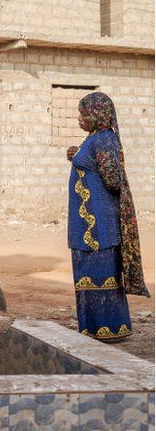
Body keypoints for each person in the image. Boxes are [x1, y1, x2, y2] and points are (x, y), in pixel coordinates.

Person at [66, 92, 148, 342]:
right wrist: (76, 155)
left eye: (83, 114)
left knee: (101, 272)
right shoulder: (94, 138)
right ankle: (93, 328)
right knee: (89, 273)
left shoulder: (104, 140)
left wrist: (84, 159)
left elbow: (113, 181)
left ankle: (110, 329)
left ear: (97, 115)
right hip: (86, 225)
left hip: (98, 225)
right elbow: (92, 164)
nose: (79, 118)